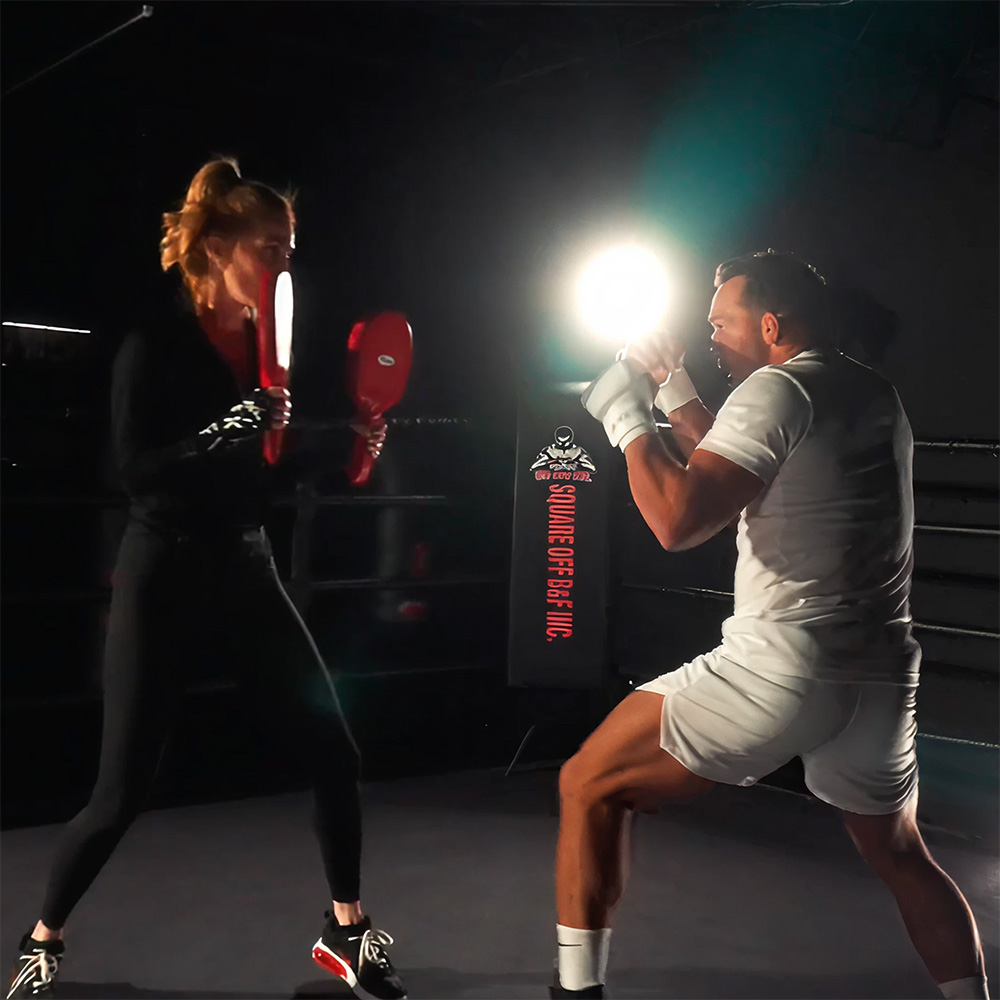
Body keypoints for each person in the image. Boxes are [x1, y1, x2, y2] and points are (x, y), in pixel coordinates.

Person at [7, 159, 406, 1000]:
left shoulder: (267, 349)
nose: (283, 266)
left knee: (335, 749)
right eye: (269, 249)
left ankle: (346, 930)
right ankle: (43, 939)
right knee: (121, 794)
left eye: (291, 251)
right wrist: (217, 433)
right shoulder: (154, 347)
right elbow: (136, 474)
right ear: (217, 248)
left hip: (244, 561)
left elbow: (269, 460)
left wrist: (347, 446)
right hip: (163, 566)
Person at [554, 250, 989, 1000]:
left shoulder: (774, 390)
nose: (712, 337)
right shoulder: (871, 392)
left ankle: (573, 994)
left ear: (772, 324)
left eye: (721, 322)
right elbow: (745, 456)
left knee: (587, 782)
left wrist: (627, 415)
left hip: (782, 669)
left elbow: (679, 519)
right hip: (880, 678)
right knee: (902, 855)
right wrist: (673, 387)